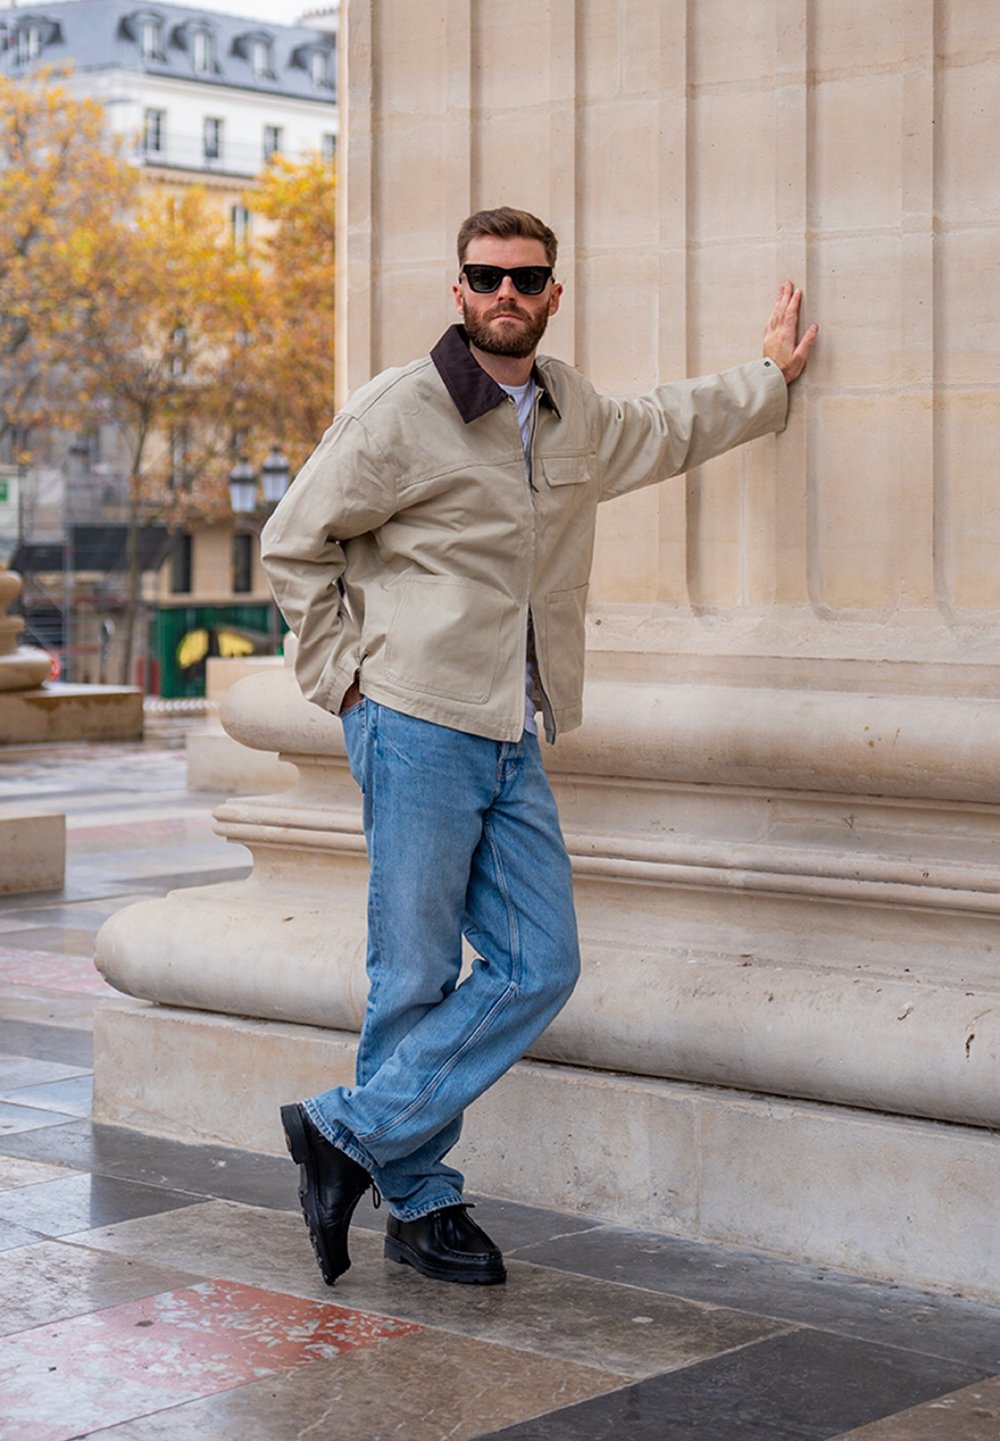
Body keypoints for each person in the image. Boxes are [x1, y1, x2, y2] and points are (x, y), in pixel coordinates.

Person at [260, 206, 818, 1289]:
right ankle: (419, 1203)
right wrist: (346, 682)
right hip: (416, 718)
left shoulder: (572, 414)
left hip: (515, 727)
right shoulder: (399, 409)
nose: (505, 294)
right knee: (414, 970)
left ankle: (346, 1130)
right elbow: (294, 541)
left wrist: (767, 380)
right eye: (485, 276)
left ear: (554, 293)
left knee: (540, 961)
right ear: (457, 289)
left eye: (526, 279)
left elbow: (665, 424)